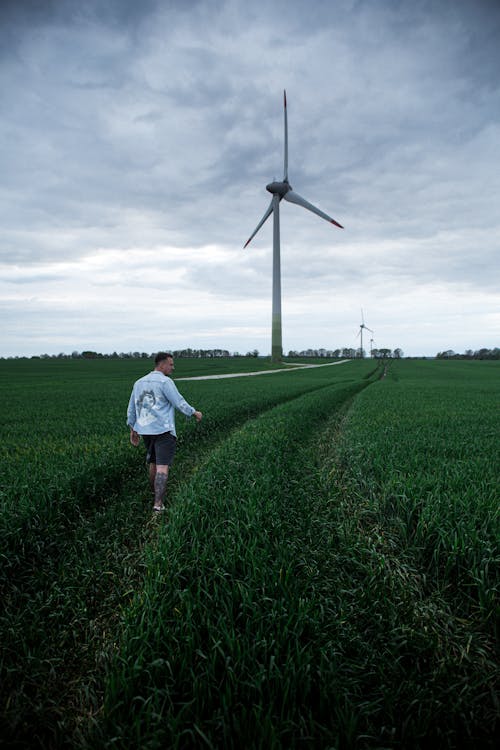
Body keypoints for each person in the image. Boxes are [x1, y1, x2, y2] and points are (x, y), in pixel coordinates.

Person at [127, 352, 202, 512]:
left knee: (153, 463)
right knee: (162, 466)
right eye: (171, 364)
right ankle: (158, 505)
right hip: (163, 430)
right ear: (162, 364)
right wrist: (193, 412)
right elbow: (178, 401)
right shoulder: (165, 382)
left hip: (146, 431)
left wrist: (132, 428)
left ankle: (155, 494)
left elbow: (132, 407)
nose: (173, 367)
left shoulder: (139, 382)